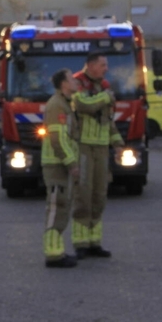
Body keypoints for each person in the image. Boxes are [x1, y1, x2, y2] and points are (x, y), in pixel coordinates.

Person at [71, 52, 124, 258]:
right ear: (91, 66)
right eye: (103, 65)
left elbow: (108, 121)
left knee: (99, 195)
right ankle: (80, 243)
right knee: (83, 195)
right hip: (83, 146)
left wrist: (118, 143)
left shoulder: (104, 86)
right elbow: (84, 105)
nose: (106, 68)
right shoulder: (77, 83)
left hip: (101, 148)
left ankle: (95, 242)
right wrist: (106, 97)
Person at [41, 69, 81, 268]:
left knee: (62, 207)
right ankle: (53, 254)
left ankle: (57, 251)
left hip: (60, 164)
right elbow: (57, 139)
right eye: (72, 78)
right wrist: (71, 163)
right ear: (64, 84)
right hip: (56, 165)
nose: (76, 81)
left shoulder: (65, 103)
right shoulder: (57, 105)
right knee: (56, 208)